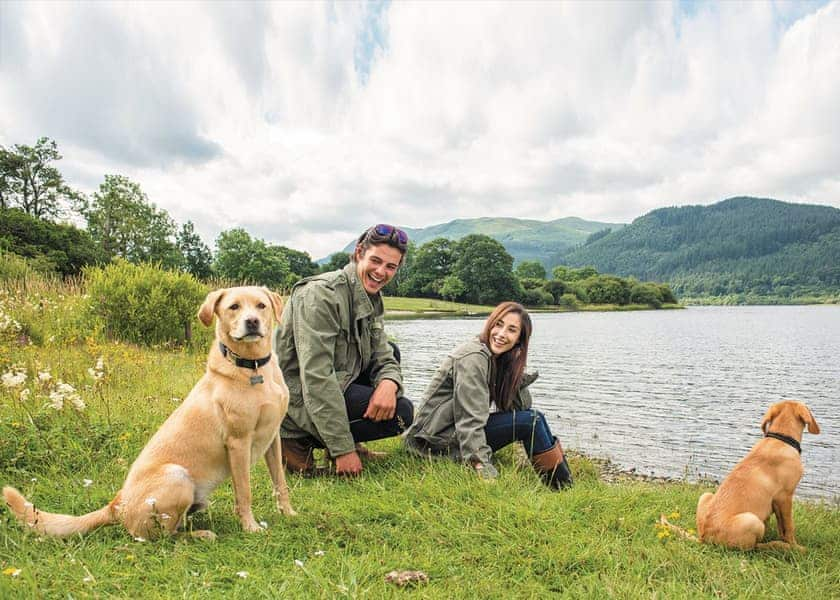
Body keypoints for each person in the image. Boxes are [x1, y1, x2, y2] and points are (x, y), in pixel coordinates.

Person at [274, 224, 414, 476]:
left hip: (339, 380)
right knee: (401, 413)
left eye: (390, 266)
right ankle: (291, 437)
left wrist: (389, 383)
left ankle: (342, 440)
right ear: (359, 252)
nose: (381, 272)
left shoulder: (370, 296)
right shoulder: (320, 295)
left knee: (393, 355)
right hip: (295, 397)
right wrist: (343, 450)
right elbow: (316, 378)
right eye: (376, 261)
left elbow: (383, 353)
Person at [404, 301, 573, 489]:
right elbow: (469, 418)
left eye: (511, 330)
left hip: (447, 432)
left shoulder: (495, 358)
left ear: (519, 339)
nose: (501, 334)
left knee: (533, 419)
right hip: (432, 441)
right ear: (490, 324)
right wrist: (482, 466)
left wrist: (513, 370)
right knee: (533, 421)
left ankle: (562, 484)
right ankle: (563, 488)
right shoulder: (473, 358)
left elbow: (519, 408)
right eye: (498, 324)